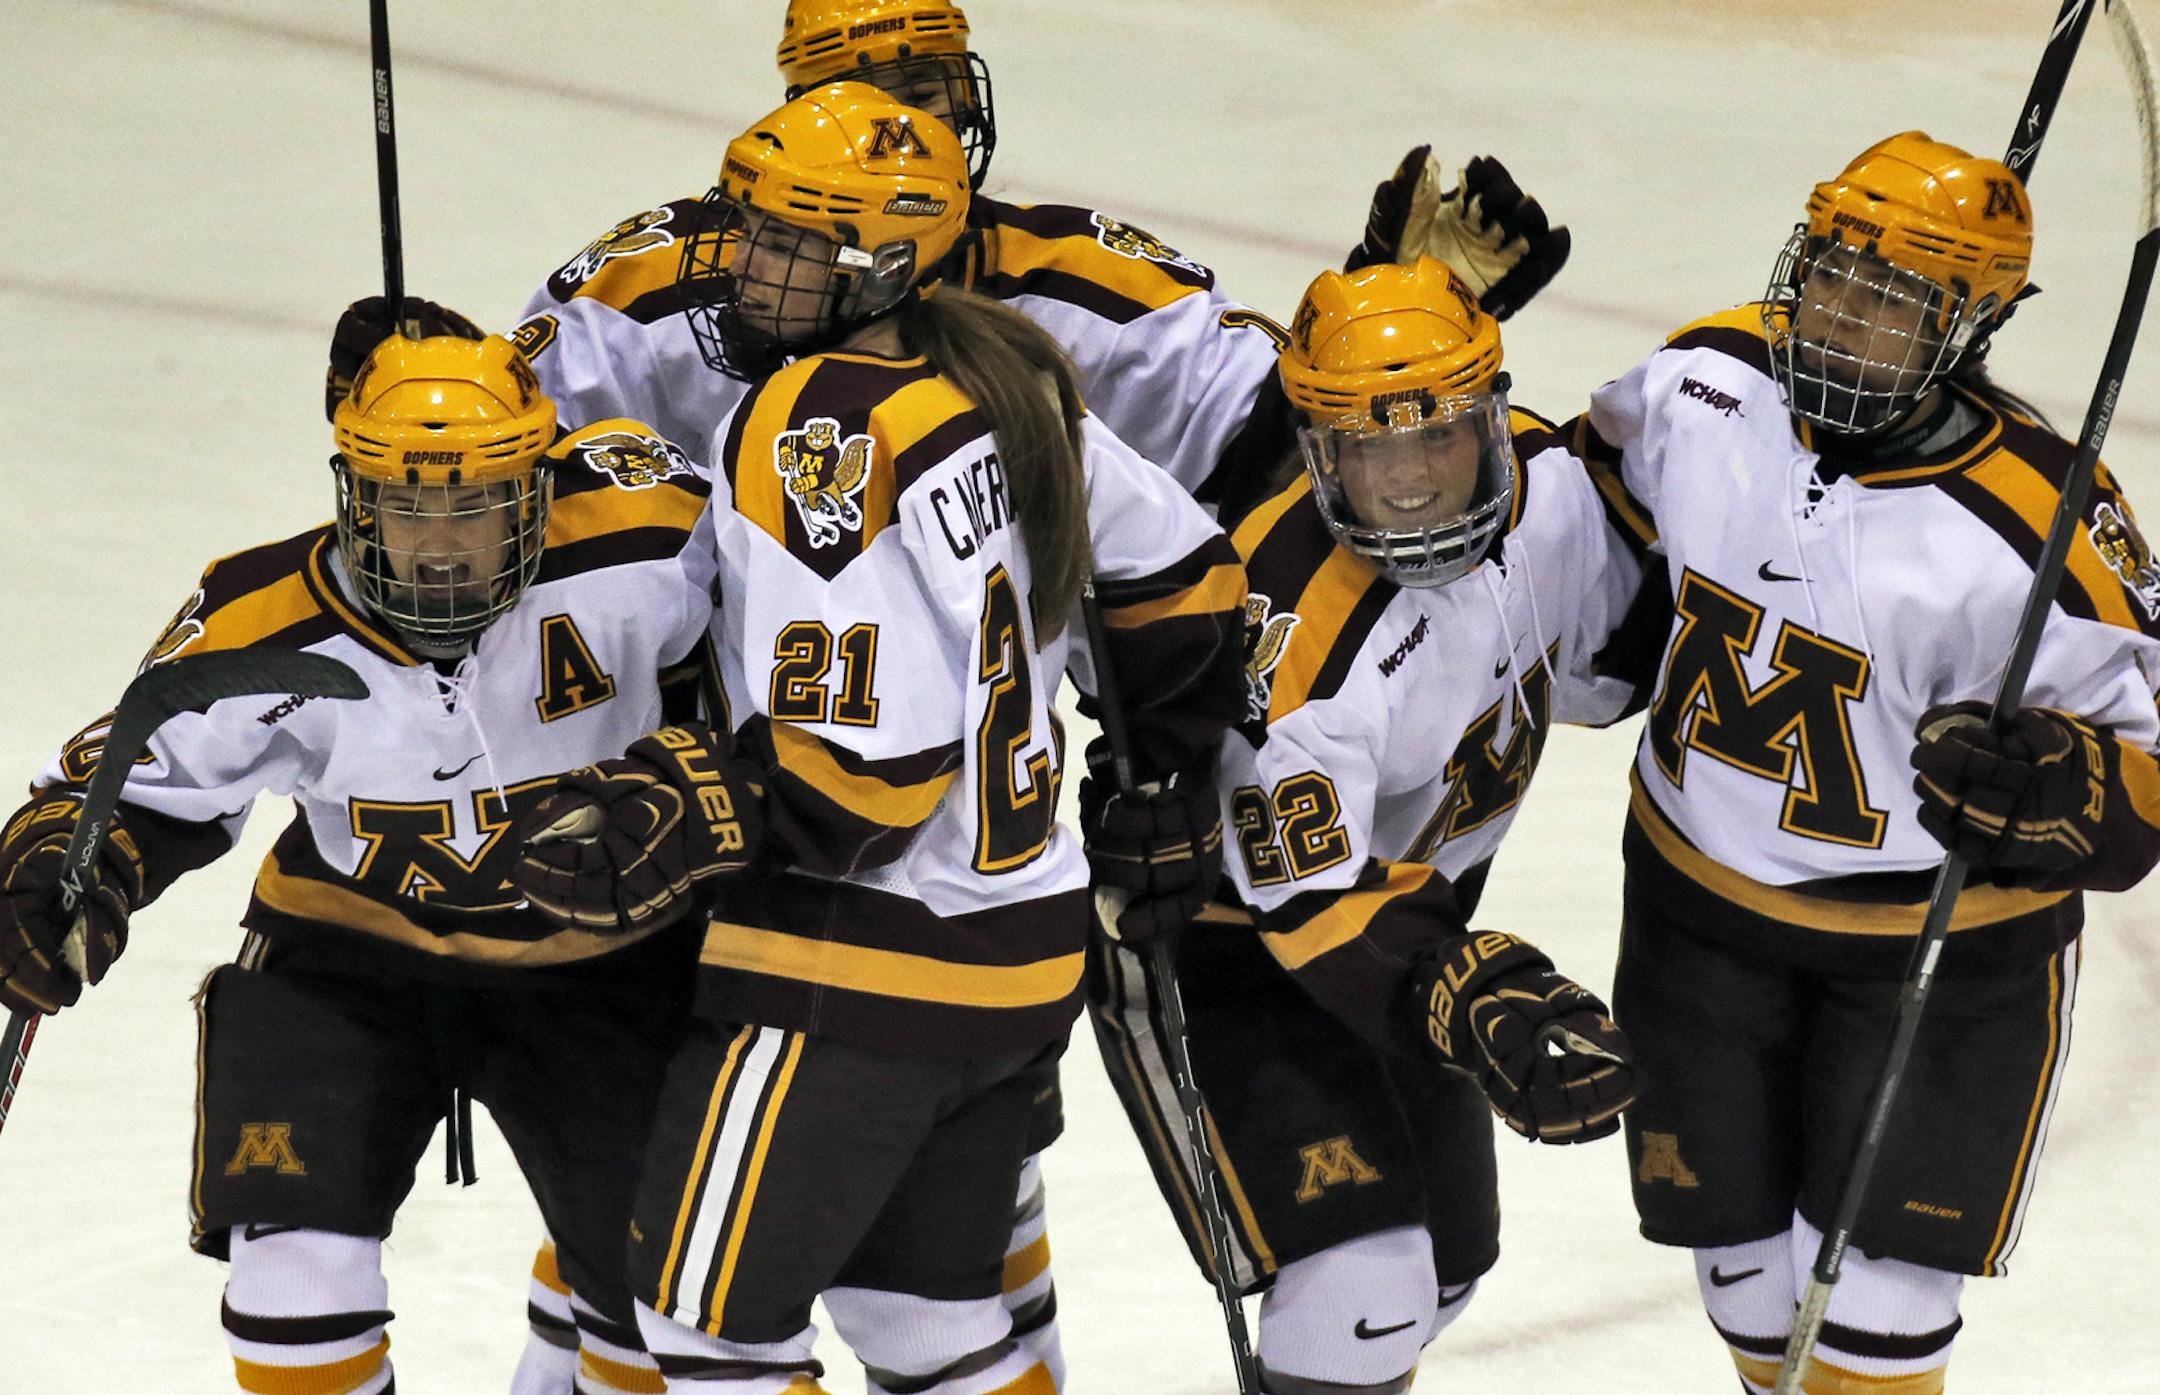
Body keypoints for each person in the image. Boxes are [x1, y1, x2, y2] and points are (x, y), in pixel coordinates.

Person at [508, 83, 1247, 1395]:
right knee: (932, 1329)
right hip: (1021, 952)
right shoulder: (1001, 373)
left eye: (789, 244)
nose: (747, 263)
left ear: (884, 261)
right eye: (746, 229)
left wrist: (691, 803)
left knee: (698, 1321)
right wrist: (1163, 769)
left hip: (860, 967)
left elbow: (865, 778)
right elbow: (1188, 577)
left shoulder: (818, 427)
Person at [0, 333, 727, 1395]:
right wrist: (64, 874)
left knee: (655, 1322)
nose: (439, 542)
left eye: (475, 503)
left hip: (605, 965)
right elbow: (116, 797)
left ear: (539, 486)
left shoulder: (651, 546)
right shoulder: (259, 624)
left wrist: (705, 785)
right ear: (352, 492)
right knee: (290, 1299)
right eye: (405, 502)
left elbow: (777, 701)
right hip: (354, 962)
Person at [1578, 131, 2160, 1394]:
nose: (1838, 318)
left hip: (1939, 965)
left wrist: (2070, 789)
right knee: (1746, 1287)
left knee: (1877, 1314)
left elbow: (2150, 763)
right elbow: (1603, 514)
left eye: (1890, 300)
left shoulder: (2038, 525)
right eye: (1829, 274)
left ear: (1976, 321)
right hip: (1699, 918)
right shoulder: (1704, 380)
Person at [1085, 255, 1647, 1395]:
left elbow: (1637, 657)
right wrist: (1471, 989)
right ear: (1315, 448)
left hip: (1409, 927)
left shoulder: (1560, 497)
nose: (1407, 482)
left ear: (1490, 414)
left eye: (1436, 435)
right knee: (1362, 1294)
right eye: (1368, 445)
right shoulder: (1290, 642)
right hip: (1230, 952)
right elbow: (1310, 897)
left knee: (1447, 1271)